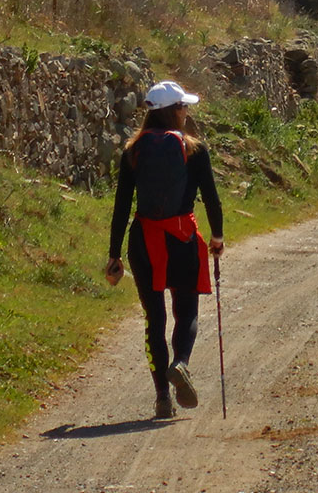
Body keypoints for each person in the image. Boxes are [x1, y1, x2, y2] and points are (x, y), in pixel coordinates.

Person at [106, 80, 225, 419]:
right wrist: (216, 238)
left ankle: (161, 398)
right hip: (181, 238)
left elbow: (121, 207)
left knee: (154, 318)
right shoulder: (194, 150)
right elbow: (212, 200)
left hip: (144, 239)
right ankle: (181, 363)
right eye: (184, 107)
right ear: (174, 112)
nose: (187, 113)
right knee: (186, 312)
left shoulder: (133, 151)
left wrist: (114, 254)